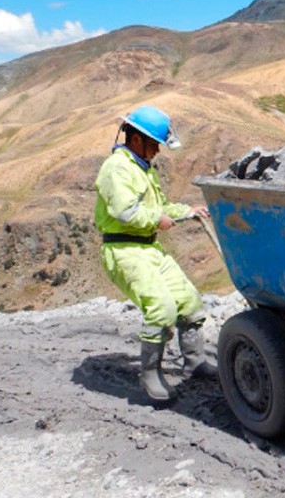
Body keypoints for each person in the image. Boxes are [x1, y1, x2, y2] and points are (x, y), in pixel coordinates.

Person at [94, 105, 218, 402]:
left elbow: (159, 207)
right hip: (124, 249)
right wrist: (156, 220)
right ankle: (150, 375)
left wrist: (187, 211)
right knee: (161, 309)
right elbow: (125, 212)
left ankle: (194, 360)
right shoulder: (117, 168)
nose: (158, 151)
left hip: (147, 247)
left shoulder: (142, 168)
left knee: (188, 301)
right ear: (138, 140)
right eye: (155, 144)